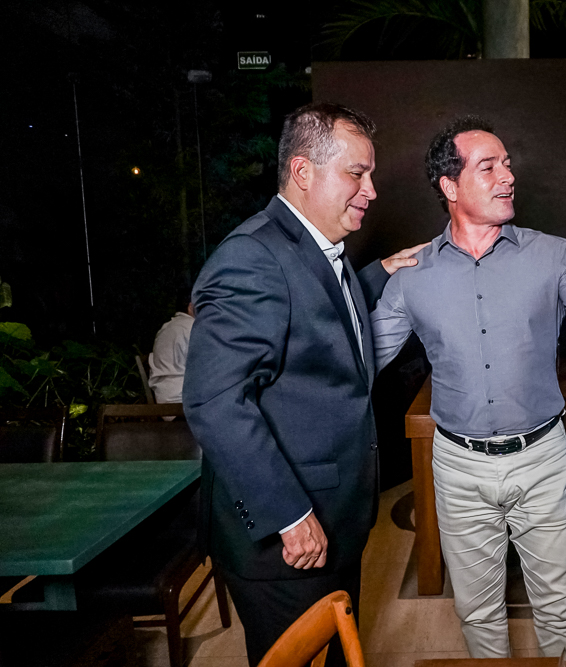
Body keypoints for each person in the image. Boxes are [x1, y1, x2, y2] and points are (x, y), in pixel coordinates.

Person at [371, 115, 566, 658]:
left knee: (563, 610)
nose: (508, 176)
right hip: (458, 467)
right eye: (488, 167)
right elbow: (361, 359)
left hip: (541, 459)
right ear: (450, 186)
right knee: (478, 614)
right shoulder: (412, 276)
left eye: (508, 163)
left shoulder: (553, 255)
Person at [183, 102, 426, 666]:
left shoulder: (311, 247)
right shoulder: (251, 258)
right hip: (288, 540)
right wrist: (290, 517)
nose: (371, 191)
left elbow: (314, 312)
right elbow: (215, 400)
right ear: (302, 172)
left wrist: (379, 274)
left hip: (334, 519)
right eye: (356, 173)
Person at [147, 294, 195, 404]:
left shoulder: (165, 328)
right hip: (184, 400)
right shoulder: (194, 328)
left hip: (164, 398)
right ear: (191, 307)